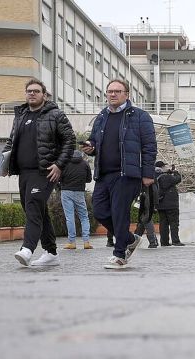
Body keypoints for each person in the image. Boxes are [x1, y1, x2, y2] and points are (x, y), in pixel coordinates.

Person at [82, 78, 157, 270]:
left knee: (119, 213)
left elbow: (150, 147)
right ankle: (130, 239)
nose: (112, 94)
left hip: (127, 174)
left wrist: (148, 173)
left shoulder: (140, 116)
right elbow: (94, 141)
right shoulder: (101, 116)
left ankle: (119, 254)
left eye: (117, 91)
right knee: (99, 211)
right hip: (103, 174)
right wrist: (91, 147)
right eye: (109, 91)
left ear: (126, 94)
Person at [3, 78, 76, 267]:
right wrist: (4, 164)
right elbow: (11, 142)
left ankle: (27, 249)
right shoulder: (20, 115)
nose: (32, 94)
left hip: (45, 171)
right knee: (36, 211)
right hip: (24, 172)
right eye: (29, 91)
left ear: (44, 95)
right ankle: (51, 252)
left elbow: (70, 140)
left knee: (34, 205)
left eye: (36, 91)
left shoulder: (56, 115)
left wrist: (59, 165)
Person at [59, 150, 93, 250]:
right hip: (79, 192)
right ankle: (86, 242)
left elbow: (60, 177)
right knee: (84, 217)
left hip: (66, 192)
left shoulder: (65, 163)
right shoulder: (85, 164)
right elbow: (89, 179)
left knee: (70, 217)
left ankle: (71, 242)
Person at [155, 161, 185, 246]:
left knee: (163, 224)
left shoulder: (155, 176)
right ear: (162, 167)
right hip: (171, 205)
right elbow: (178, 179)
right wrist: (175, 171)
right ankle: (175, 241)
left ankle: (164, 242)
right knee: (173, 223)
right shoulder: (167, 177)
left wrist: (169, 172)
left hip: (160, 204)